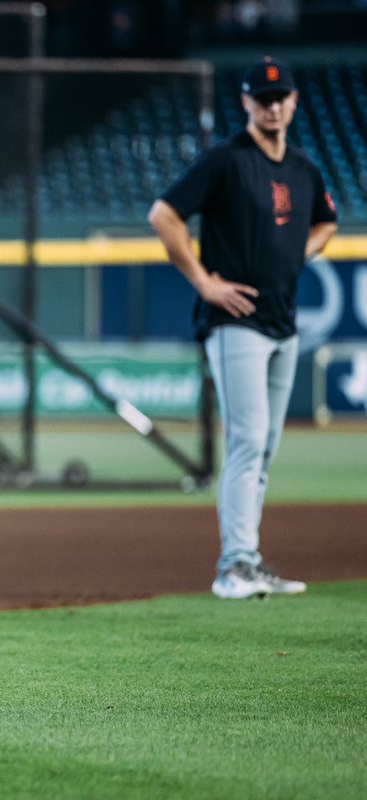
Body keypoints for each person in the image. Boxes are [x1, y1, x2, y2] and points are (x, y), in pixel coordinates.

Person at [148, 57, 338, 600]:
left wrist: (298, 250)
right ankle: (233, 566)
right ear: (247, 103)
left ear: (295, 102)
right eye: (263, 97)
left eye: (282, 97)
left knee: (265, 447)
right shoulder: (226, 162)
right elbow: (163, 215)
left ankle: (248, 559)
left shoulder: (303, 167)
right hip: (236, 323)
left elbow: (327, 220)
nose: (273, 105)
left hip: (283, 321)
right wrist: (204, 282)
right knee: (248, 440)